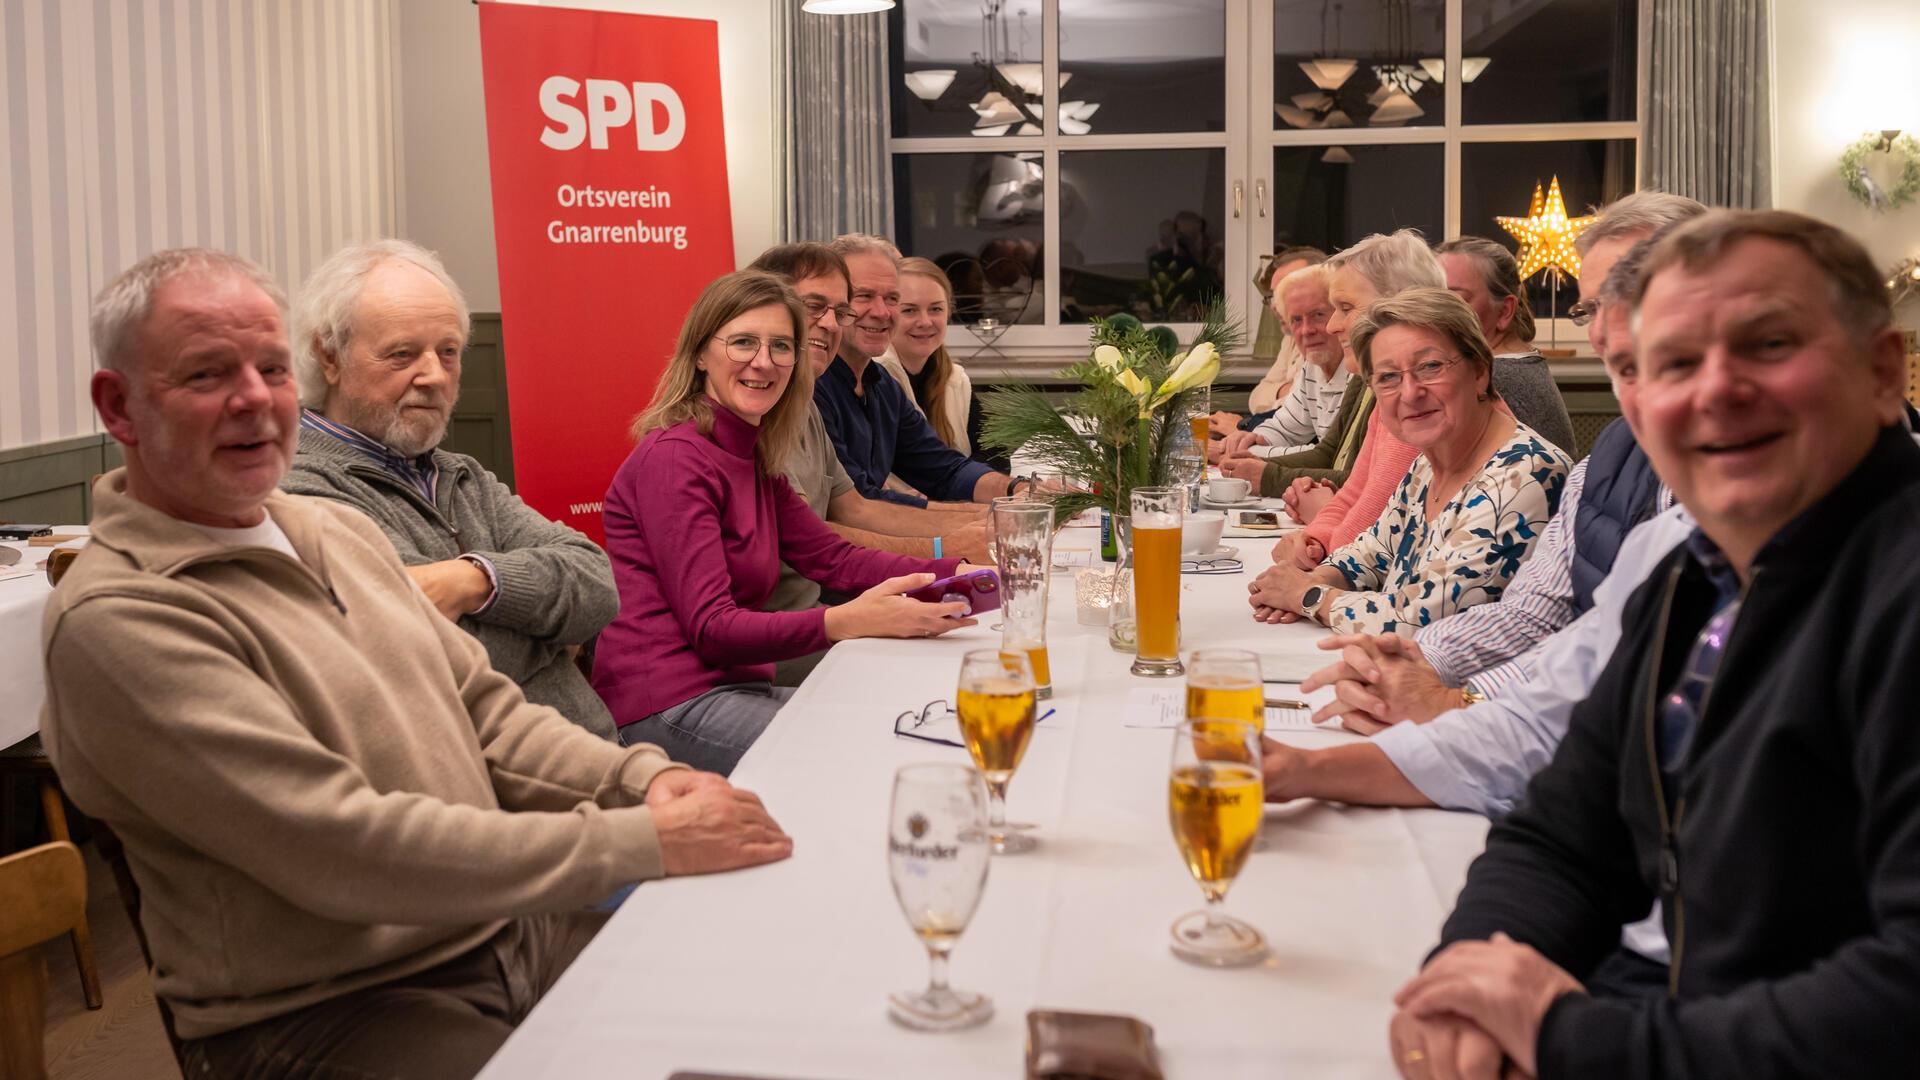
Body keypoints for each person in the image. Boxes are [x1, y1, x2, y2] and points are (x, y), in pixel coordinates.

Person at [42, 248, 791, 1080]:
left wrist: (642, 781)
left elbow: (484, 706)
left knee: (751, 1002)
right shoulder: (122, 617)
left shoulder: (331, 533)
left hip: (493, 931)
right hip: (329, 1005)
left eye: (269, 367)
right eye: (207, 374)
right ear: (119, 407)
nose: (254, 398)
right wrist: (639, 838)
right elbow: (343, 846)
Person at [1389, 209, 1920, 1080]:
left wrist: (1568, 1039)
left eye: (1769, 345)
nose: (1712, 390)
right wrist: (1470, 979)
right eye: (1666, 363)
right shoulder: (1693, 573)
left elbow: (1900, 1000)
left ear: (1882, 370)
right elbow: (1563, 836)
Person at [592, 270, 980, 774]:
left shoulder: (750, 453)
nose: (763, 361)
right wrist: (845, 621)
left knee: (908, 728)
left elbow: (831, 557)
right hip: (666, 708)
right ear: (700, 355)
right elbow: (712, 628)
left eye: (781, 346)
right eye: (743, 343)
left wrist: (958, 571)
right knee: (881, 756)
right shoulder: (676, 459)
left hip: (735, 688)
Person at [280, 240, 621, 740]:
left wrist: (472, 581)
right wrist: (551, 635)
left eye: (448, 352)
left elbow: (597, 582)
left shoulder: (462, 474)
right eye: (402, 354)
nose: (435, 376)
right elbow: (429, 657)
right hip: (495, 795)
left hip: (601, 757)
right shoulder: (302, 491)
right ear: (328, 356)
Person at [1246, 288, 1569, 634]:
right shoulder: (1432, 460)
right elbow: (1373, 550)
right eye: (1388, 377)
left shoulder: (1527, 472)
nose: (1410, 392)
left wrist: (1307, 596)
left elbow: (1421, 619)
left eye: (1430, 367)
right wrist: (1314, 577)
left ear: (1479, 372)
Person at [1223, 230, 1445, 548]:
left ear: (1399, 304)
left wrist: (1317, 553)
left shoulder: (1415, 400)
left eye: (1344, 308)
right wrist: (1315, 543)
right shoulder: (1380, 386)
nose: (1330, 326)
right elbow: (1357, 490)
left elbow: (1374, 526)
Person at [813, 234, 1034, 507]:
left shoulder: (882, 386)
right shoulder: (812, 387)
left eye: (892, 298)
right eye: (864, 296)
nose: (882, 311)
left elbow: (944, 469)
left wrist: (1020, 489)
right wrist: (988, 518)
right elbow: (857, 505)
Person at [1436, 236, 1576, 453]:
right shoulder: (1519, 363)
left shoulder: (1492, 379)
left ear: (1504, 311)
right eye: (1434, 297)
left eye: (1454, 300)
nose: (1432, 312)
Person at [1215, 265, 1347, 463]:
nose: (1306, 330)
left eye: (1317, 315)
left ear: (1341, 314)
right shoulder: (1312, 367)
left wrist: (1247, 454)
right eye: (1296, 320)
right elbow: (1284, 429)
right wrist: (1252, 438)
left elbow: (1331, 457)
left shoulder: (1360, 370)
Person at [1209, 245, 1330, 438]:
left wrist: (1242, 427)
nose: (1276, 305)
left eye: (1288, 289)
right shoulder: (1292, 337)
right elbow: (1258, 396)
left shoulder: (1325, 342)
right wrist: (1285, 391)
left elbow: (1306, 431)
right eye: (1273, 296)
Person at [889, 257, 977, 456]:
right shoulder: (873, 379)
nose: (925, 322)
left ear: (948, 313)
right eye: (910, 310)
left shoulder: (956, 379)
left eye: (935, 309)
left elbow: (994, 453)